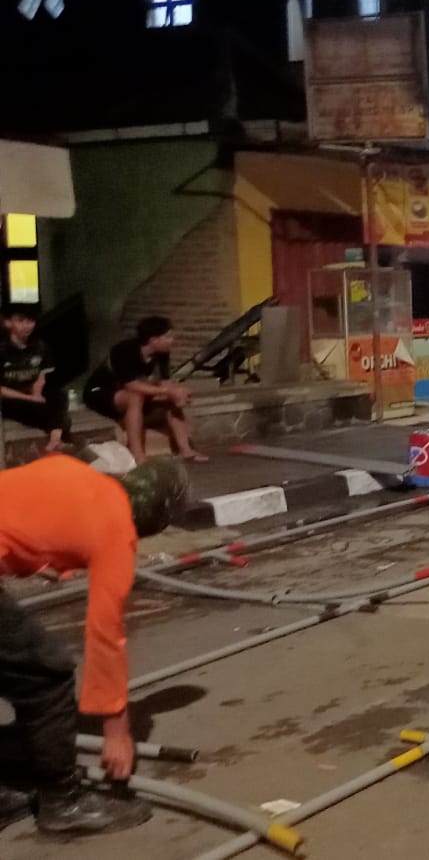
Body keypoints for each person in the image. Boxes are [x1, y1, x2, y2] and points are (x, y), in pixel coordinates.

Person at [0, 455, 189, 835]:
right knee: (46, 675)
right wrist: (117, 734)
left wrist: (36, 560)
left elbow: (24, 509)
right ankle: (63, 801)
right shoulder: (117, 527)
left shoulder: (75, 471)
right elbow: (105, 635)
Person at [83, 316, 205, 464]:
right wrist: (168, 391)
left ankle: (186, 450)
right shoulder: (124, 351)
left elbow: (165, 382)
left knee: (169, 399)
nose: (172, 340)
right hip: (100, 392)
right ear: (153, 340)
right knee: (135, 397)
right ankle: (137, 455)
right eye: (167, 337)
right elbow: (131, 385)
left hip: (129, 392)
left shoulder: (162, 353)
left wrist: (178, 392)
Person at [0, 305, 70, 453]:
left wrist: (36, 394)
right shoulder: (2, 349)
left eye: (30, 320)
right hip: (10, 398)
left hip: (30, 394)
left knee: (59, 395)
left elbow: (41, 377)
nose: (27, 325)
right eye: (20, 320)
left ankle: (54, 441)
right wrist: (30, 399)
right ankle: (58, 439)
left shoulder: (40, 346)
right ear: (8, 323)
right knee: (56, 415)